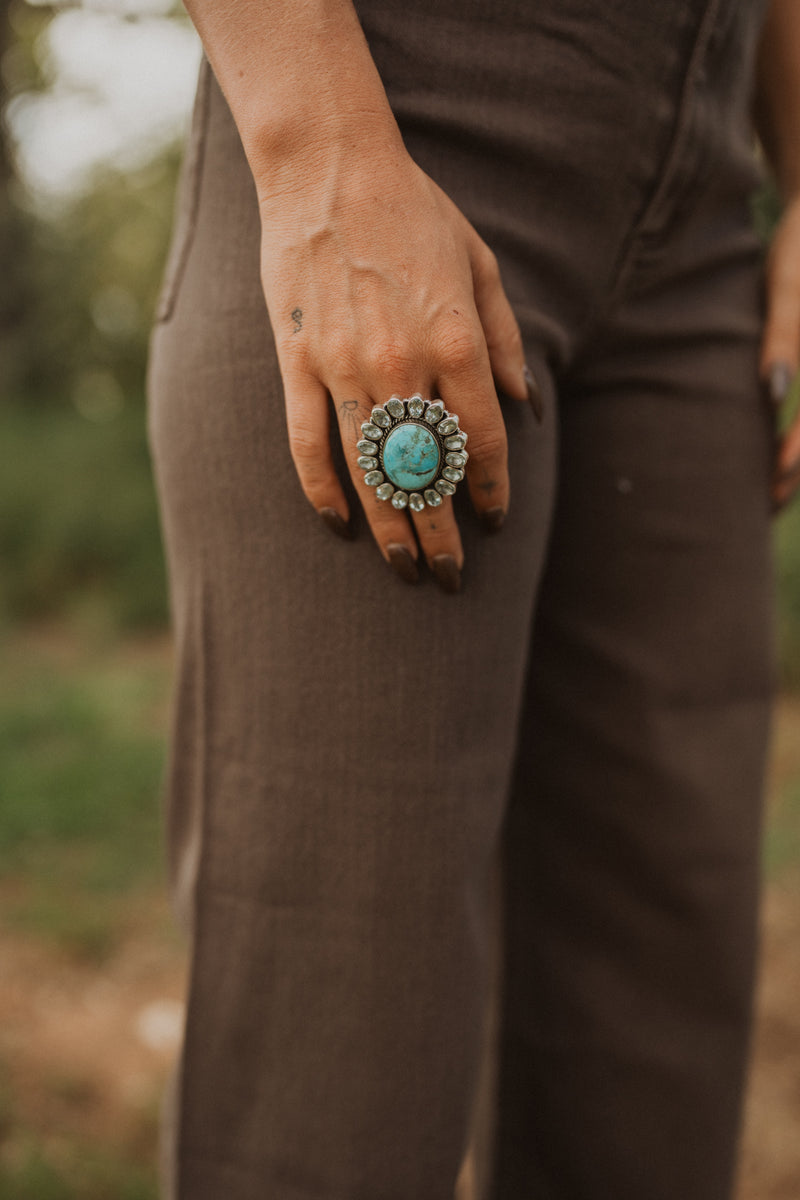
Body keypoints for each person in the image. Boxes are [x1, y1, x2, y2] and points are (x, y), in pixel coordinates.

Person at [146, 1, 800, 1196]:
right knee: (339, 1060)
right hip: (396, 117)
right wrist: (321, 147)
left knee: (651, 1068)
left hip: (711, 212)